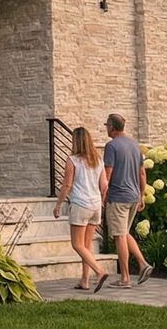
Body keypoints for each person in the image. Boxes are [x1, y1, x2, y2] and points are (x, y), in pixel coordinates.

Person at [53, 124, 110, 292]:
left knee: (77, 245)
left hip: (80, 205)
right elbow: (104, 184)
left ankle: (99, 271)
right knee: (86, 245)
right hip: (95, 206)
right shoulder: (98, 159)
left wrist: (58, 205)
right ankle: (84, 280)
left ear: (75, 141)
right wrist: (104, 201)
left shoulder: (72, 160)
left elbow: (67, 185)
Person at [102, 113, 153, 287]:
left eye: (106, 126)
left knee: (119, 235)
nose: (106, 129)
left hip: (118, 197)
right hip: (133, 197)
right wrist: (141, 195)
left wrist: (102, 194)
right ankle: (143, 264)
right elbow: (142, 173)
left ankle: (125, 278)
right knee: (124, 232)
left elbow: (107, 174)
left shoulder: (111, 146)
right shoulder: (134, 145)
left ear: (112, 127)